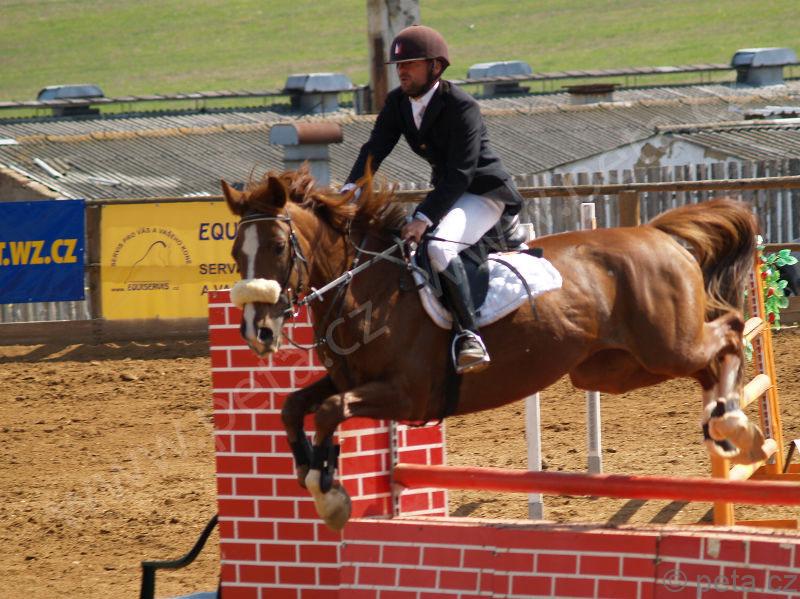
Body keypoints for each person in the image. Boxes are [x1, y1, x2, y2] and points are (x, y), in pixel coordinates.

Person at [343, 24, 523, 374]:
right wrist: (349, 190)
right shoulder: (398, 103)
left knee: (439, 248)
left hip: (483, 192)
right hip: (448, 193)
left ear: (435, 66)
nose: (402, 71)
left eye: (410, 64)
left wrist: (423, 218)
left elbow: (461, 172)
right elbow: (375, 149)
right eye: (399, 65)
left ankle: (470, 336)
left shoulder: (462, 106)